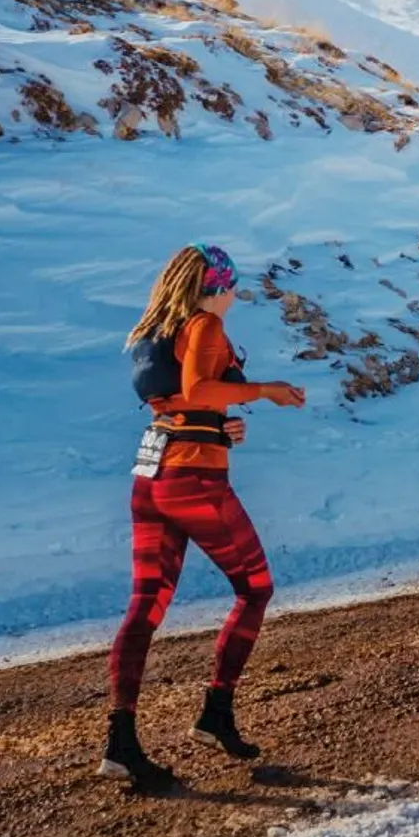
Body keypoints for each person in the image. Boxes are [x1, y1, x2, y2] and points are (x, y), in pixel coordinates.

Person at [101, 243, 306, 790]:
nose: (236, 295)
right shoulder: (204, 325)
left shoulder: (157, 330)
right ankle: (216, 710)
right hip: (195, 481)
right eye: (233, 285)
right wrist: (266, 392)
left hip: (152, 474)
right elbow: (199, 389)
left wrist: (222, 425)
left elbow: (178, 403)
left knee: (145, 604)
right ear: (217, 286)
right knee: (255, 588)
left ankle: (122, 740)